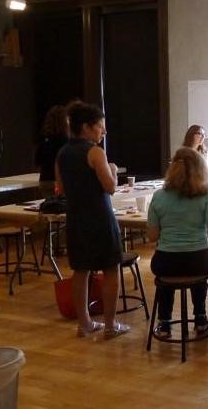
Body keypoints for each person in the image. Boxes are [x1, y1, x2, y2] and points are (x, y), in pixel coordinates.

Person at [55, 101, 129, 339]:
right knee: (110, 268)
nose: (104, 131)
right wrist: (113, 170)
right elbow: (109, 187)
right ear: (86, 127)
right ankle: (110, 324)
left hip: (76, 217)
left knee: (81, 270)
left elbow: (62, 188)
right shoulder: (95, 152)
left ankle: (85, 323)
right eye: (100, 126)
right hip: (99, 218)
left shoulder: (62, 153)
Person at [146, 147, 208, 335]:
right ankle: (200, 318)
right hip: (199, 260)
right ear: (201, 170)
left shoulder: (159, 196)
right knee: (199, 273)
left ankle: (164, 322)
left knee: (165, 278)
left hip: (165, 261)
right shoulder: (206, 195)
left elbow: (152, 236)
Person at [35, 105, 69, 198]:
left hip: (44, 180)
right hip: (59, 182)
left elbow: (38, 164)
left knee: (50, 207)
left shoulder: (44, 141)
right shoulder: (66, 142)